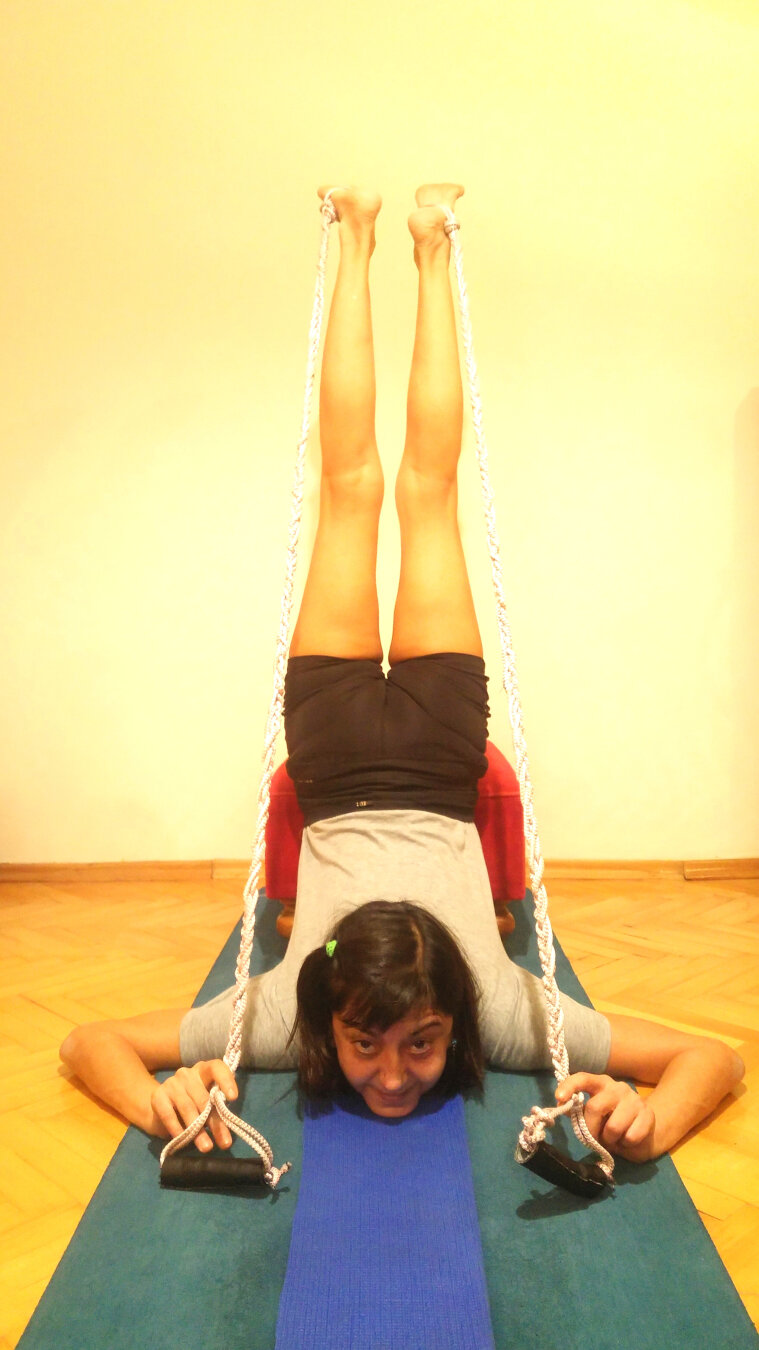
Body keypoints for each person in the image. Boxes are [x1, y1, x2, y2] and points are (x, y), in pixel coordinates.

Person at [60, 184, 743, 1166]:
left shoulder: (296, 1019)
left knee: (355, 489)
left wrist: (156, 1096)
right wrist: (654, 1122)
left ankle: (366, 235)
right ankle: (414, 244)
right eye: (378, 1044)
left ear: (449, 1018)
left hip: (333, 759)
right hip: (436, 755)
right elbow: (710, 1058)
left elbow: (90, 1044)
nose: (390, 1073)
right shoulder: (496, 1016)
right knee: (422, 488)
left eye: (417, 1043)